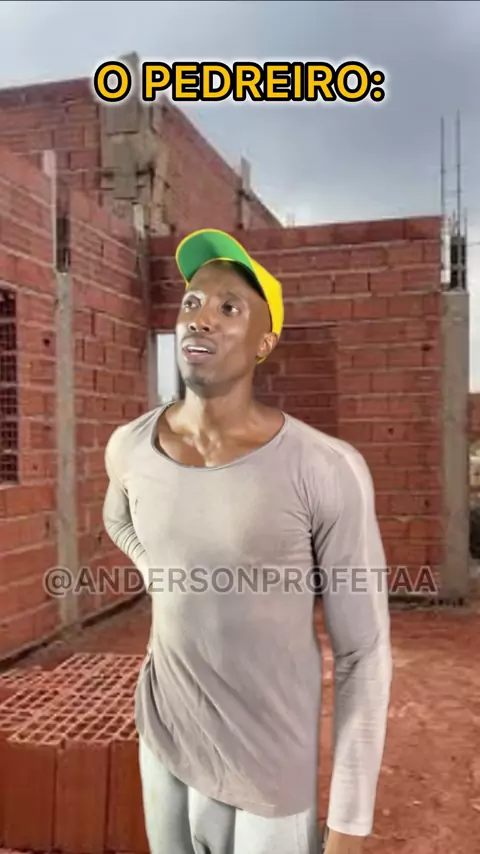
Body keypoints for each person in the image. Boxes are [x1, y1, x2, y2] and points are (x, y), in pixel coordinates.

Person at [102, 228, 392, 854]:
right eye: (191, 303)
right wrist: (156, 569)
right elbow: (117, 518)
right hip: (165, 737)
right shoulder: (130, 446)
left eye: (228, 307)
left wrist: (348, 824)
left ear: (265, 342)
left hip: (268, 765)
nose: (200, 318)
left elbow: (362, 654)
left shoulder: (324, 467)